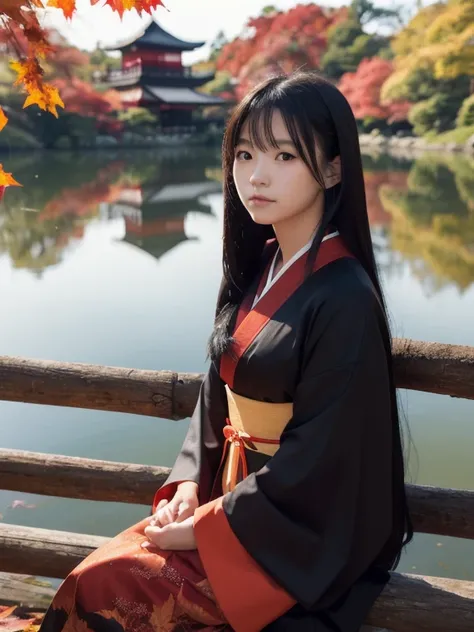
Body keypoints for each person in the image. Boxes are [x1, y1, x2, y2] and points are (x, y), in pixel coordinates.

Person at [39, 70, 413, 632]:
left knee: (105, 585)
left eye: (285, 157)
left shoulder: (345, 298)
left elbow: (322, 457)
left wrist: (206, 527)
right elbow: (216, 393)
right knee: (98, 574)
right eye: (244, 154)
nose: (256, 176)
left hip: (294, 534)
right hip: (228, 499)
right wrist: (190, 482)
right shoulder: (261, 263)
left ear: (334, 168)